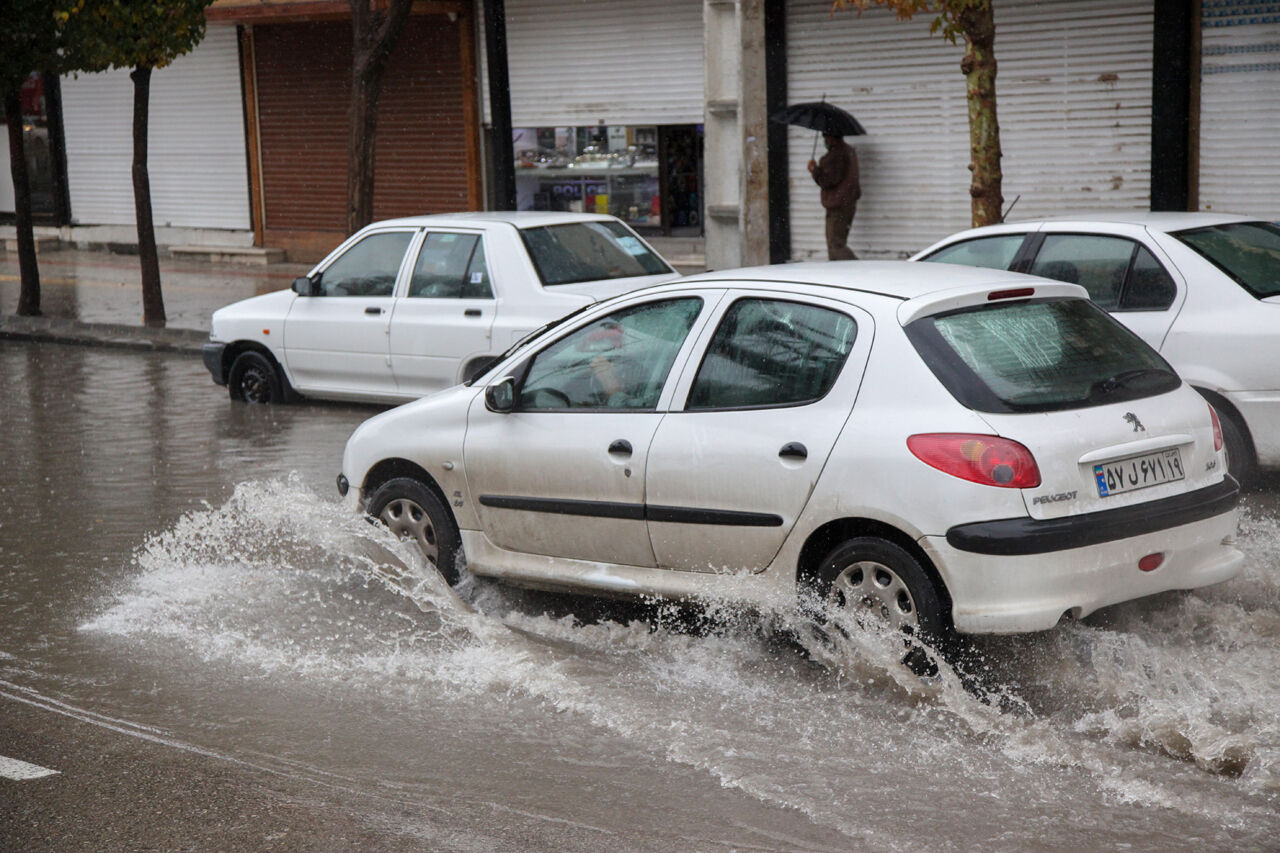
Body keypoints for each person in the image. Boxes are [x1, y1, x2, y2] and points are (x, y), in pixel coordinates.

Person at [807, 133, 861, 260]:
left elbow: (828, 180)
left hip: (838, 203)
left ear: (831, 137)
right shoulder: (848, 151)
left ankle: (854, 271)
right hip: (847, 202)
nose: (825, 140)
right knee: (837, 242)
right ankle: (843, 271)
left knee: (835, 244)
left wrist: (815, 170)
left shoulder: (836, 155)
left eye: (826, 137)